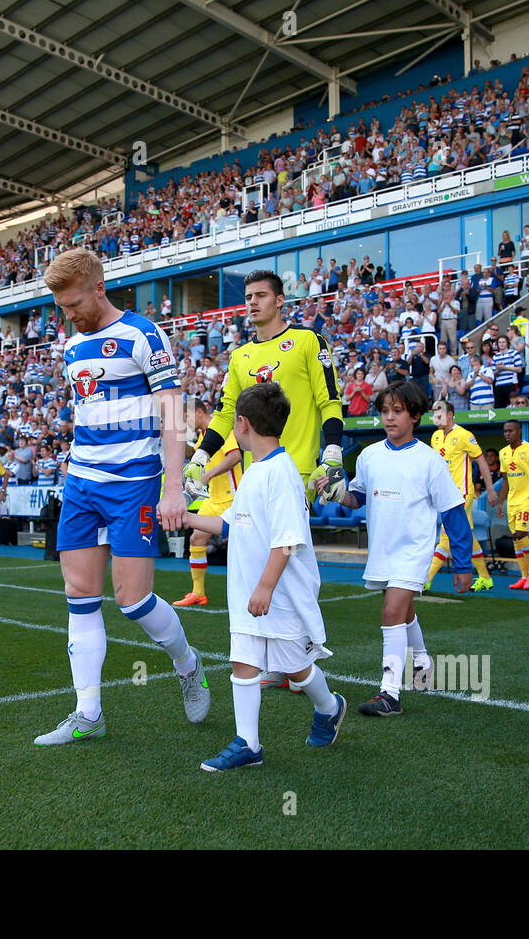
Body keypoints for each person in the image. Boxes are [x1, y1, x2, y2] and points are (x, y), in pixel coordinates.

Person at [35, 248, 209, 746]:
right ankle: (88, 713)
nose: (68, 314)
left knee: (132, 600)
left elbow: (174, 409)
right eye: (62, 307)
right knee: (79, 596)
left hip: (135, 482)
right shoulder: (71, 348)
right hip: (83, 482)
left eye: (73, 304)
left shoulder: (142, 334)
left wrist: (173, 486)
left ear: (99, 289)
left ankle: (187, 663)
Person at [184, 268, 342, 688]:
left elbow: (330, 399)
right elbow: (225, 411)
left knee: (285, 558)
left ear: (278, 301)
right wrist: (200, 455)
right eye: (248, 296)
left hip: (299, 470)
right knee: (259, 562)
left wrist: (333, 452)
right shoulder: (240, 356)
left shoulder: (309, 341)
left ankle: (301, 655)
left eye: (260, 295)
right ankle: (283, 659)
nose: (251, 302)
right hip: (255, 474)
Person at [187, 384, 343, 771]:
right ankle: (248, 744)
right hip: (249, 593)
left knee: (296, 668)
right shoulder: (256, 470)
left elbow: (287, 541)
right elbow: (231, 525)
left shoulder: (281, 472)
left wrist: (265, 587)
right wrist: (187, 519)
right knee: (243, 662)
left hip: (279, 595)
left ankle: (329, 707)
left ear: (241, 424)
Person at [326, 381, 473, 717]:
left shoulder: (430, 461)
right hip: (383, 548)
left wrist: (463, 565)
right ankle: (422, 661)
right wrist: (335, 493)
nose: (389, 418)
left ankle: (390, 692)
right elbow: (356, 498)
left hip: (414, 549)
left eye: (397, 411)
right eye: (384, 411)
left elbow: (453, 512)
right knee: (401, 611)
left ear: (416, 416)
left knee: (392, 611)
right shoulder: (369, 455)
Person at [173, 399, 242, 608]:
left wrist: (207, 475)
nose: (186, 422)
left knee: (243, 548)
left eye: (187, 417)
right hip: (213, 499)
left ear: (200, 412)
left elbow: (236, 456)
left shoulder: (220, 429)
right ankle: (198, 593)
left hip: (232, 497)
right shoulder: (204, 436)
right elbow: (195, 456)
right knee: (196, 539)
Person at [426, 401, 497, 591]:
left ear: (450, 415)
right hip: (443, 495)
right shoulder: (435, 437)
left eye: (439, 414)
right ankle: (485, 577)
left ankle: (426, 580)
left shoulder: (465, 435)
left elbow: (481, 462)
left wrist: (490, 489)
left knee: (446, 536)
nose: (436, 418)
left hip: (461, 495)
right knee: (467, 536)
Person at [495, 420, 529, 590]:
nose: (507, 434)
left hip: (528, 498)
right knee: (516, 539)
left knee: (521, 534)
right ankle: (524, 575)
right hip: (512, 501)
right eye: (505, 431)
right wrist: (501, 501)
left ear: (519, 431)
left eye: (510, 431)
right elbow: (505, 480)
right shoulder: (503, 453)